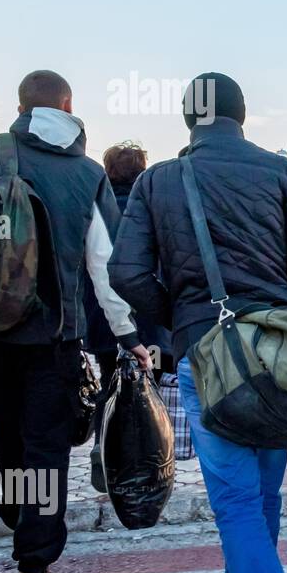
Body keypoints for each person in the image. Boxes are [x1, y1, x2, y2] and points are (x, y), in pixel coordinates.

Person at [110, 72, 287, 573]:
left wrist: (181, 324)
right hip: (278, 353)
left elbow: (126, 272)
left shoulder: (159, 180)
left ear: (188, 119)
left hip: (207, 355)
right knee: (261, 492)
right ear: (243, 114)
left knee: (237, 499)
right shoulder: (279, 171)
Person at [0, 70, 150, 573]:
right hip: (55, 338)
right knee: (45, 448)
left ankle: (22, 518)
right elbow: (105, 265)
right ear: (67, 105)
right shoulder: (86, 173)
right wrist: (128, 334)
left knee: (11, 446)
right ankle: (33, 568)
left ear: (20, 105)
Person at [83, 143, 171, 389]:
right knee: (155, 388)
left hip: (103, 325)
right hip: (153, 328)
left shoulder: (94, 211)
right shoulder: (154, 210)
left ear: (107, 171)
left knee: (112, 384)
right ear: (142, 171)